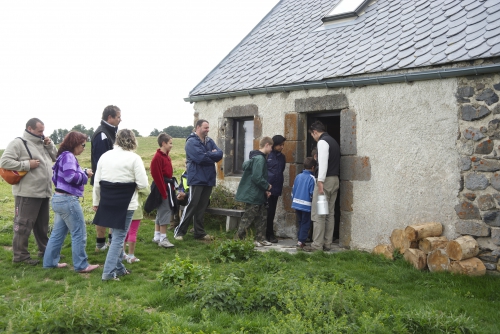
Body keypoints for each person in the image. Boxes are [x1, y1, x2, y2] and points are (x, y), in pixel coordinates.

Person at [92, 129, 149, 281]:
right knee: (118, 238)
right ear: (132, 140)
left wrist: (96, 202)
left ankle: (119, 267)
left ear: (116, 140)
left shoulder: (105, 156)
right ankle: (108, 273)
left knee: (115, 237)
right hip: (126, 203)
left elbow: (97, 183)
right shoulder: (134, 158)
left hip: (107, 201)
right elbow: (143, 183)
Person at [0, 118, 57, 265]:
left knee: (42, 225)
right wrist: (26, 164)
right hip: (27, 192)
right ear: (29, 129)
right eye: (39, 131)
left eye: (43, 130)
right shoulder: (18, 143)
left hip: (44, 191)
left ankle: (45, 251)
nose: (42, 133)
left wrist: (49, 145)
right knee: (23, 225)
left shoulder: (43, 143)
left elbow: (56, 157)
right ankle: (20, 256)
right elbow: (4, 162)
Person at [43, 131, 99, 273]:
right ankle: (81, 265)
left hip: (58, 198)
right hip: (68, 200)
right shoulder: (69, 156)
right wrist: (85, 175)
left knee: (57, 233)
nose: (84, 148)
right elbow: (70, 177)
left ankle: (49, 262)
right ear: (75, 144)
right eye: (83, 145)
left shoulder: (62, 156)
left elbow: (60, 177)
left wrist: (82, 171)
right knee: (79, 232)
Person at [174, 120, 223, 241]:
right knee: (192, 204)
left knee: (202, 206)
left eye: (208, 127)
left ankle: (199, 233)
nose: (208, 130)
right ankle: (179, 232)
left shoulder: (209, 141)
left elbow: (220, 154)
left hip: (209, 178)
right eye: (205, 127)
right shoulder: (191, 142)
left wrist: (208, 155)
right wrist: (210, 155)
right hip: (197, 178)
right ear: (198, 127)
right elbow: (200, 158)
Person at [304, 121, 340, 252]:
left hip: (325, 181)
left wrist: (320, 183)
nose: (313, 138)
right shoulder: (333, 142)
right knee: (330, 213)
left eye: (312, 135)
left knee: (319, 213)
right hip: (335, 180)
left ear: (315, 132)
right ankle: (327, 243)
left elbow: (323, 163)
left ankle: (317, 245)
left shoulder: (322, 142)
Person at [91, 105, 121, 252]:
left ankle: (111, 242)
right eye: (118, 117)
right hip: (104, 181)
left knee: (113, 211)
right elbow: (101, 161)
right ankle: (100, 244)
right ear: (110, 118)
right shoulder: (102, 134)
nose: (120, 119)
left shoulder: (111, 132)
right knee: (102, 212)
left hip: (112, 180)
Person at [235, 137, 274, 247]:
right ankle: (237, 240)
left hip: (259, 193)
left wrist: (265, 190)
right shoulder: (260, 159)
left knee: (262, 217)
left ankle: (260, 239)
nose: (271, 150)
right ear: (267, 145)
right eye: (271, 147)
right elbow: (257, 177)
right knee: (248, 217)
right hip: (253, 194)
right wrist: (267, 186)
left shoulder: (257, 157)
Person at [150, 133, 176, 248]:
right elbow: (157, 175)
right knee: (165, 210)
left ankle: (157, 236)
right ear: (163, 143)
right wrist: (163, 191)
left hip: (167, 186)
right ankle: (163, 238)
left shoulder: (166, 156)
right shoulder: (158, 157)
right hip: (162, 187)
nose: (171, 145)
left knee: (161, 211)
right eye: (170, 143)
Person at [291, 157, 317, 251]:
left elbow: (293, 190)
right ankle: (301, 241)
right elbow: (312, 193)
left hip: (296, 203)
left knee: (300, 222)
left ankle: (300, 239)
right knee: (306, 223)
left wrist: (293, 200)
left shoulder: (298, 176)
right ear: (313, 167)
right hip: (306, 205)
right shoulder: (312, 178)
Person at [266, 135, 286, 243]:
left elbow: (281, 170)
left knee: (272, 211)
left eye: (283, 145)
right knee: (267, 212)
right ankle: (267, 234)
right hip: (267, 188)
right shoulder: (268, 155)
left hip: (276, 187)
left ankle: (269, 233)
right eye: (280, 145)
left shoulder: (282, 157)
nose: (282, 147)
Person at [123, 186, 150, 263]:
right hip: (135, 208)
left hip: (123, 208)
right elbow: (147, 191)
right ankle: (131, 256)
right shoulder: (138, 179)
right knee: (133, 232)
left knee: (123, 232)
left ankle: (122, 254)